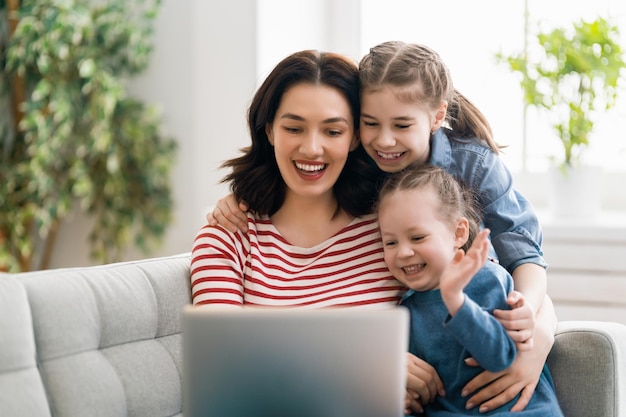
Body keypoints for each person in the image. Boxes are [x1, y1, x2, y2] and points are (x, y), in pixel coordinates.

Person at [206, 41, 557, 413]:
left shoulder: (392, 220)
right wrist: (366, 363)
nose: (313, 148)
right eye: (294, 127)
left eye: (333, 131)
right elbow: (221, 357)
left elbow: (510, 269)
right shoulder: (232, 233)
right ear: (269, 130)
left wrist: (539, 334)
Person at [376, 164, 563, 416]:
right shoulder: (407, 312)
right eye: (390, 242)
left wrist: (456, 301)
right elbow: (425, 394)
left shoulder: (489, 279)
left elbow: (499, 357)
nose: (404, 252)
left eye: (418, 237)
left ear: (458, 232)